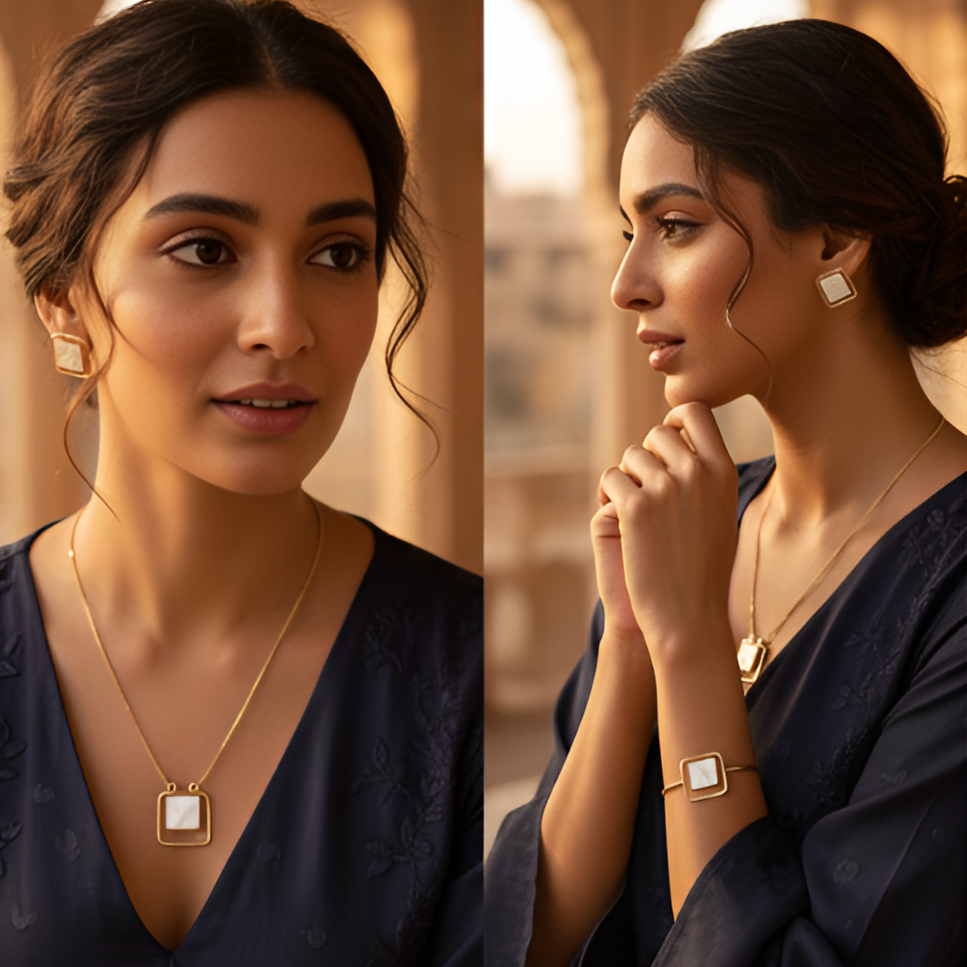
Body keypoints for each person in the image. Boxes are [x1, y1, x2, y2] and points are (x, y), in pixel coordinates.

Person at [0, 1, 481, 963]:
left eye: (336, 254)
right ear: (63, 301)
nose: (282, 326)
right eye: (205, 249)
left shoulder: (462, 666)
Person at [486, 19, 967, 967]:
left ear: (835, 240)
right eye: (627, 233)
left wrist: (691, 646)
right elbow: (535, 934)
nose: (625, 283)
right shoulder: (685, 523)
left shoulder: (948, 586)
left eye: (675, 226)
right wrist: (631, 642)